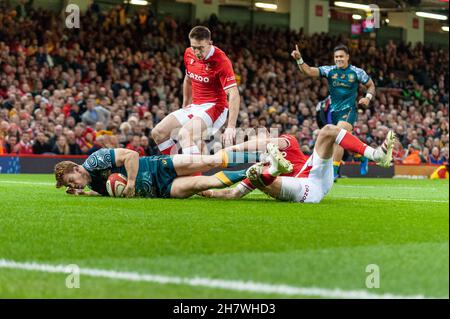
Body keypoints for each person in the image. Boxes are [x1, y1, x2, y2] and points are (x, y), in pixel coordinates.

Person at [201, 124, 395, 204]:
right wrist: (207, 192)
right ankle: (276, 170)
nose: (263, 139)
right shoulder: (259, 165)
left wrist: (232, 149)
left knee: (329, 130)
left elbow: (265, 143)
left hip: (315, 173)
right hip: (307, 188)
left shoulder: (287, 142)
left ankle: (377, 155)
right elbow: (233, 193)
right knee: (256, 174)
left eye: (265, 134)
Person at [291, 44, 376, 181]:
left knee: (337, 137)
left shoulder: (357, 72)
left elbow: (371, 85)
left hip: (348, 111)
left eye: (341, 56)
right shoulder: (329, 70)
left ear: (347, 57)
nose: (339, 59)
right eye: (336, 57)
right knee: (345, 140)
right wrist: (299, 59)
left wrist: (367, 97)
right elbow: (309, 71)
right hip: (334, 112)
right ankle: (362, 157)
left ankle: (334, 172)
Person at [151, 26, 240, 156]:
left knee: (185, 134)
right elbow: (188, 79)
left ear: (210, 43)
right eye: (194, 47)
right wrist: (185, 104)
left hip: (215, 107)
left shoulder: (221, 61)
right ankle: (174, 166)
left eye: (201, 48)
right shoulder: (188, 53)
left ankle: (192, 175)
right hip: (195, 106)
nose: (197, 52)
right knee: (158, 133)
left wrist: (231, 126)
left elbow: (234, 93)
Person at [54, 148, 270, 199]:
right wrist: (85, 194)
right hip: (162, 190)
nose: (75, 185)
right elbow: (107, 192)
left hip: (159, 166)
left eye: (72, 181)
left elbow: (131, 155)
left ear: (76, 169)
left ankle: (258, 154)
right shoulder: (90, 184)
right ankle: (254, 170)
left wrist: (130, 183)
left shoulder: (95, 160)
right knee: (203, 184)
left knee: (209, 160)